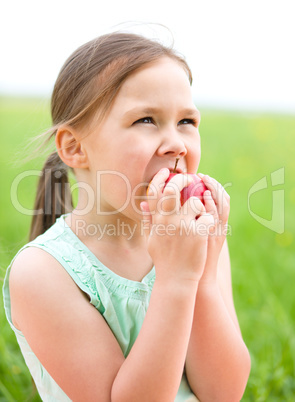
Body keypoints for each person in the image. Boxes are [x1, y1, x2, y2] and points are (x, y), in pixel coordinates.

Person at [3, 31, 251, 401]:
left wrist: (203, 279)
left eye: (187, 121)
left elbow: (224, 392)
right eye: (146, 120)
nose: (177, 144)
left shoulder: (194, 237)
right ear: (75, 148)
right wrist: (177, 280)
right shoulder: (42, 273)